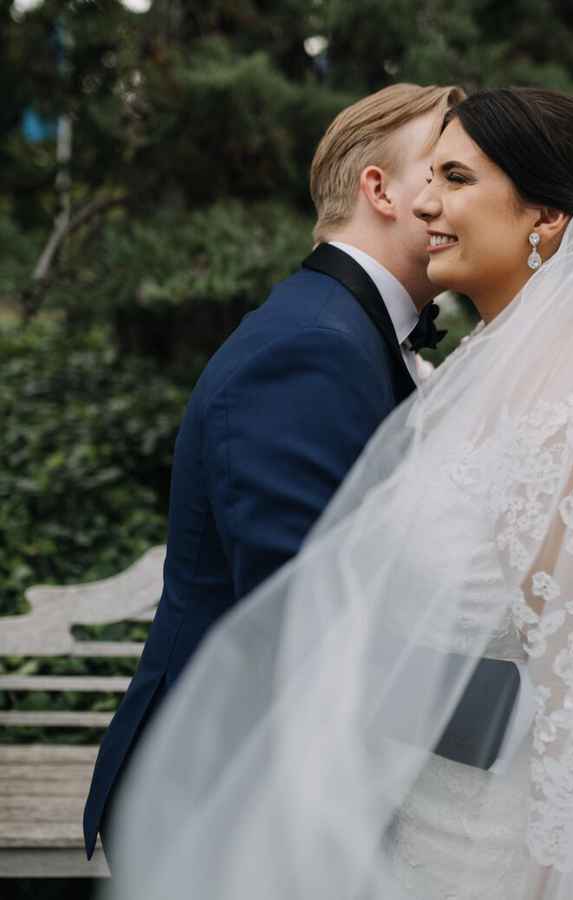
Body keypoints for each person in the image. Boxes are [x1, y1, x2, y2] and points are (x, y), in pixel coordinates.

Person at [98, 88, 573, 900]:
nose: (428, 203)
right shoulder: (465, 364)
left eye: (456, 177)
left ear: (543, 220)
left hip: (488, 848)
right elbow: (307, 610)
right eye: (429, 172)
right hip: (392, 816)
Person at [82, 81, 465, 870]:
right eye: (448, 171)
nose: (467, 195)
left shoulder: (347, 332)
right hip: (217, 800)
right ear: (381, 189)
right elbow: (303, 623)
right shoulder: (315, 348)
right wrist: (511, 720)